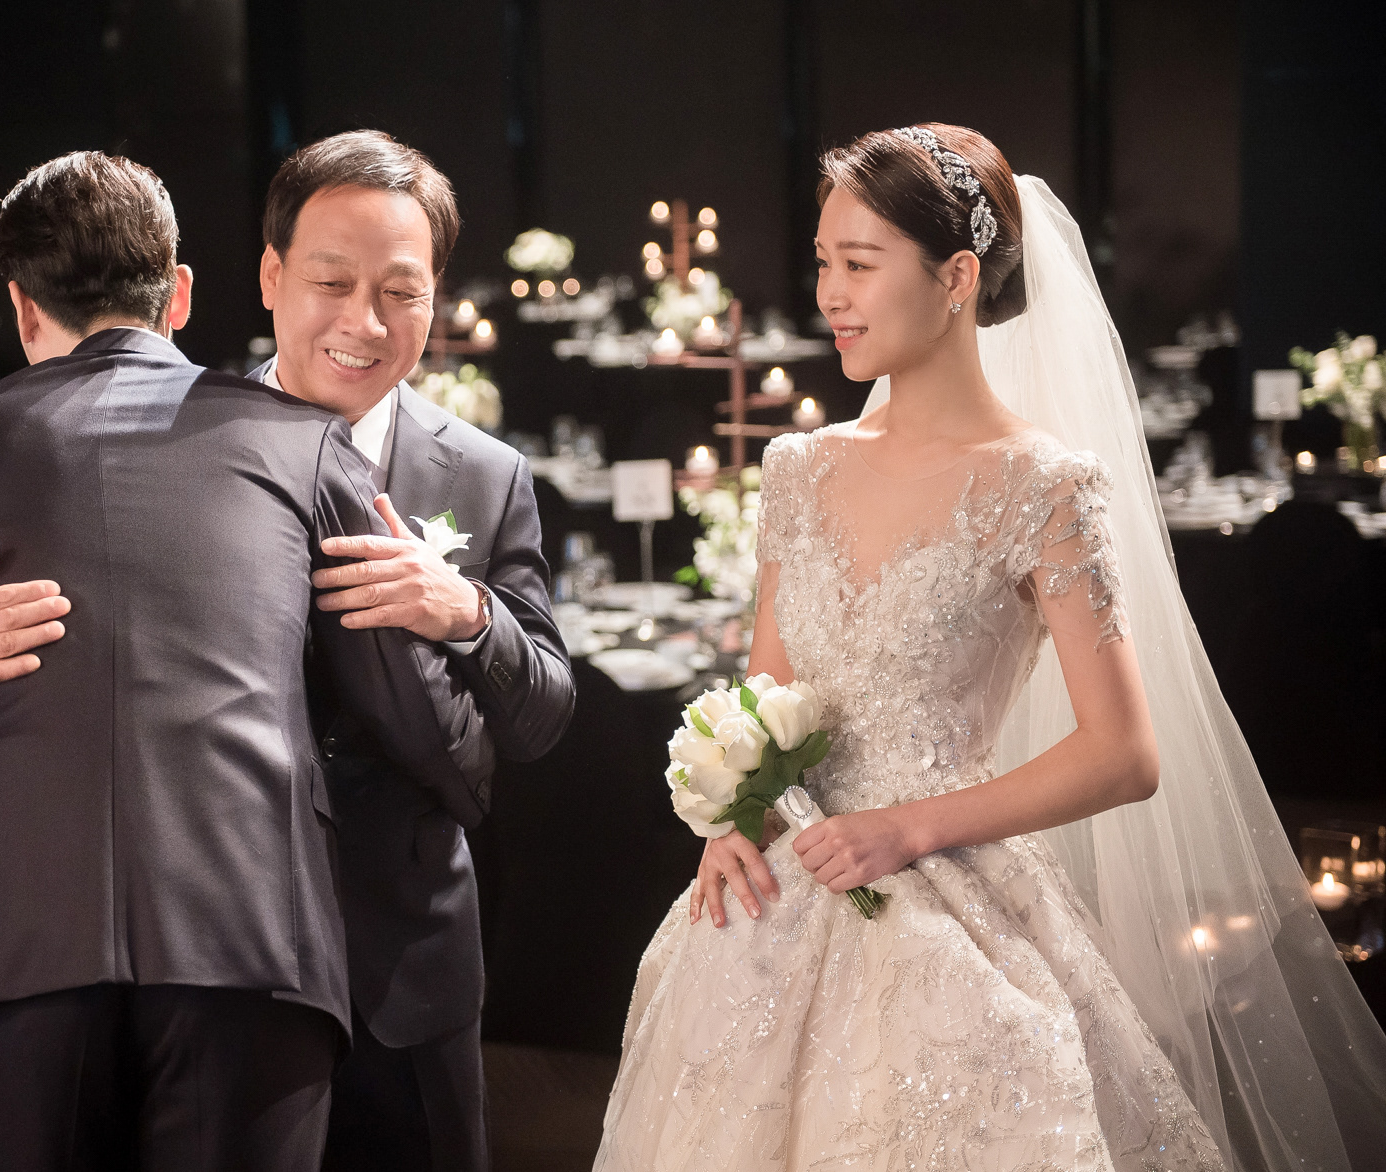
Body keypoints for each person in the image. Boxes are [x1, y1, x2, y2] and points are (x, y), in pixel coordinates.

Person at [594, 124, 1386, 1171]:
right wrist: (733, 817)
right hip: (777, 894)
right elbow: (766, 692)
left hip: (951, 895)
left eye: (859, 265)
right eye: (823, 263)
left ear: (957, 278)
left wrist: (903, 828)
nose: (829, 295)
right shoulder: (798, 468)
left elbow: (1122, 753)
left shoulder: (1044, 485)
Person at [0, 130, 575, 1172]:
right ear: (268, 277)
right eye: (331, 283)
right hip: (224, 946)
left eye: (400, 292)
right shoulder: (182, 432)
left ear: (436, 296)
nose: (363, 322)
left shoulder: (485, 474)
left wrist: (467, 612)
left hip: (399, 967)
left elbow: (543, 709)